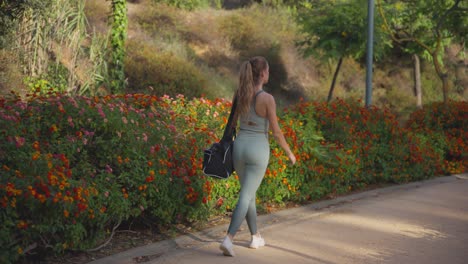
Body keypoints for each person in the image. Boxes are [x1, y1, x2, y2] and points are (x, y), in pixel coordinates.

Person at [219, 56, 296, 257]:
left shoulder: (240, 94)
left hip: (239, 148)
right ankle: (229, 238)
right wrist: (289, 152)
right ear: (263, 74)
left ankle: (255, 237)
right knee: (246, 195)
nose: (268, 74)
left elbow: (232, 123)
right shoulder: (267, 99)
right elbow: (277, 132)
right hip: (257, 149)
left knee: (248, 193)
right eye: (268, 71)